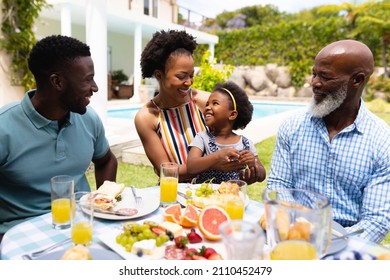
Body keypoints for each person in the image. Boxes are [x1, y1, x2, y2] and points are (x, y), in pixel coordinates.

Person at [266, 39, 390, 243]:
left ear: (356, 80)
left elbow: (377, 220)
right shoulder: (292, 126)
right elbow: (280, 185)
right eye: (314, 73)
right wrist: (294, 229)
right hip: (294, 236)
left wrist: (331, 246)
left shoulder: (382, 141)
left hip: (348, 245)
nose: (314, 82)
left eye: (325, 77)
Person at [0, 35, 118, 243]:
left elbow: (106, 160)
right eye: (87, 79)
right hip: (20, 236)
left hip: (81, 227)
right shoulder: (4, 126)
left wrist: (104, 201)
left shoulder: (89, 119)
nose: (95, 87)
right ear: (57, 82)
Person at [135, 29, 264, 183]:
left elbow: (228, 138)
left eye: (191, 76)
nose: (188, 82)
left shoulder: (203, 102)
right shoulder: (147, 118)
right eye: (181, 76)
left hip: (213, 190)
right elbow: (166, 171)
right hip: (174, 193)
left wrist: (243, 166)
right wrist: (214, 163)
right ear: (159, 75)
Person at [187, 81, 266, 184]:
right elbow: (191, 166)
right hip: (205, 197)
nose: (207, 107)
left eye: (215, 103)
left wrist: (253, 164)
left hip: (232, 197)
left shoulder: (245, 144)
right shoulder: (202, 138)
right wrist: (216, 158)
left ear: (232, 114)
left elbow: (262, 175)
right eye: (207, 104)